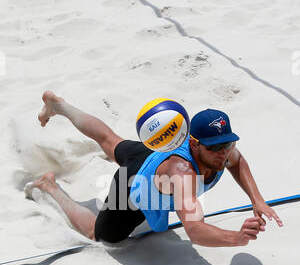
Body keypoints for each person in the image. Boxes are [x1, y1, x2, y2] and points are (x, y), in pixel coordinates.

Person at [25, 91, 283, 245]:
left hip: (153, 154)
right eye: (215, 148)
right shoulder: (184, 175)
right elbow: (195, 230)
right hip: (134, 187)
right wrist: (235, 238)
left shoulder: (221, 150)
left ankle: (60, 106)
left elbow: (238, 162)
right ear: (193, 144)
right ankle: (49, 186)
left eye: (227, 144)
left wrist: (256, 200)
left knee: (110, 141)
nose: (223, 153)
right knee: (100, 235)